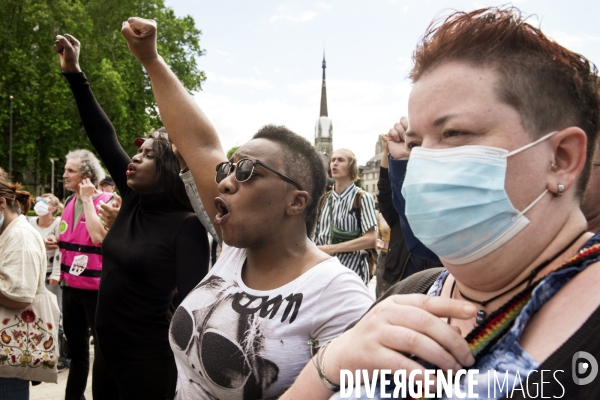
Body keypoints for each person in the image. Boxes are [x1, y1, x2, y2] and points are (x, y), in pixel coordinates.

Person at [283, 6, 600, 399]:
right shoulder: (410, 294)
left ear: (562, 159)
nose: (424, 162)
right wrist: (328, 365)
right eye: (416, 144)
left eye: (453, 133)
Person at [119, 17, 373, 399]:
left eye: (247, 170)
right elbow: (201, 145)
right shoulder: (237, 248)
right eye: (227, 168)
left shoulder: (341, 298)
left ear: (296, 201)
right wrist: (151, 60)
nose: (224, 180)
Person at [55, 34, 210, 400]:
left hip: (149, 363)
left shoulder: (186, 226)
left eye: (149, 155)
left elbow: (192, 310)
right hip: (106, 356)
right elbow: (103, 135)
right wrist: (75, 73)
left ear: (170, 170)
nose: (135, 158)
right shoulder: (133, 200)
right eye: (136, 153)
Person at [51, 150, 113, 400]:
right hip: (70, 287)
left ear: (86, 176)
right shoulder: (68, 202)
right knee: (77, 352)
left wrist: (88, 200)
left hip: (96, 289)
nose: (64, 175)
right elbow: (75, 237)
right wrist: (58, 242)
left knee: (102, 352)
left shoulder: (108, 201)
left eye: (70, 171)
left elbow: (99, 238)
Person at [375, 135, 442, 297]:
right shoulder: (397, 214)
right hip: (397, 278)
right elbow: (384, 190)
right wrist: (390, 154)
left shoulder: (440, 214)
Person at [0, 178, 47, 399]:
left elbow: (19, 295)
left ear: (1, 203)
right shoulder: (9, 232)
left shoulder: (20, 237)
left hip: (7, 355)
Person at [314, 149, 378, 283]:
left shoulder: (362, 198)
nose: (334, 163)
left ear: (351, 166)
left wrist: (330, 248)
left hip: (351, 275)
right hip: (324, 274)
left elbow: (371, 239)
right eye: (333, 160)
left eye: (340, 160)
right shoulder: (324, 199)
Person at [27, 194, 70, 372]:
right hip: (34, 274)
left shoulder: (57, 223)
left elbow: (60, 248)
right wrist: (42, 242)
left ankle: (60, 356)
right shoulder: (30, 222)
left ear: (53, 208)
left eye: (45, 202)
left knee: (56, 313)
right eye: (38, 200)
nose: (39, 204)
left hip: (52, 274)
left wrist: (57, 273)